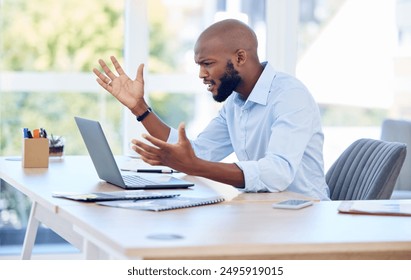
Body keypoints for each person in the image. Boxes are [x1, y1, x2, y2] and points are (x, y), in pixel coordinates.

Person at [93, 19, 330, 200]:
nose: (201, 74)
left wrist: (195, 166)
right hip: (266, 212)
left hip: (305, 217)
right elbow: (198, 152)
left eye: (207, 64)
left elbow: (278, 173)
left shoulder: (289, 96)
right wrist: (139, 107)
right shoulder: (236, 104)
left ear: (239, 57)